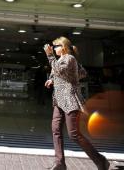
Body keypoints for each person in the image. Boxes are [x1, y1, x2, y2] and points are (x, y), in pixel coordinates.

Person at [44, 36, 109, 170]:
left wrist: (50, 56)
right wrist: (52, 80)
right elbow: (60, 72)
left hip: (70, 100)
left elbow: (61, 70)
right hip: (58, 100)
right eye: (53, 47)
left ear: (64, 47)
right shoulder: (60, 60)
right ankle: (59, 163)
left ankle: (101, 160)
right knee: (55, 130)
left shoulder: (70, 58)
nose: (54, 48)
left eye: (56, 46)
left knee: (73, 134)